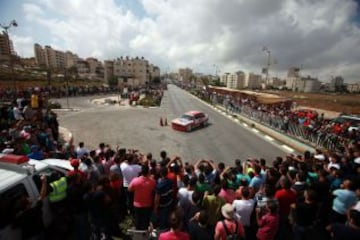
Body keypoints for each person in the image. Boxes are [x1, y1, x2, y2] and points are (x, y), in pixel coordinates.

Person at [12, 175, 47, 240]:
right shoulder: (34, 211)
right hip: (39, 234)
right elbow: (41, 196)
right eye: (28, 199)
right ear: (27, 205)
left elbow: (14, 225)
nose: (30, 198)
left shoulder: (19, 217)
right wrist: (44, 182)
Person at [128, 165, 156, 230]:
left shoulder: (135, 180)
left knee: (138, 220)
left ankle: (138, 233)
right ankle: (145, 233)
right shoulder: (152, 181)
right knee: (146, 221)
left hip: (137, 205)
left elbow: (129, 189)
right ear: (148, 172)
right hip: (147, 205)